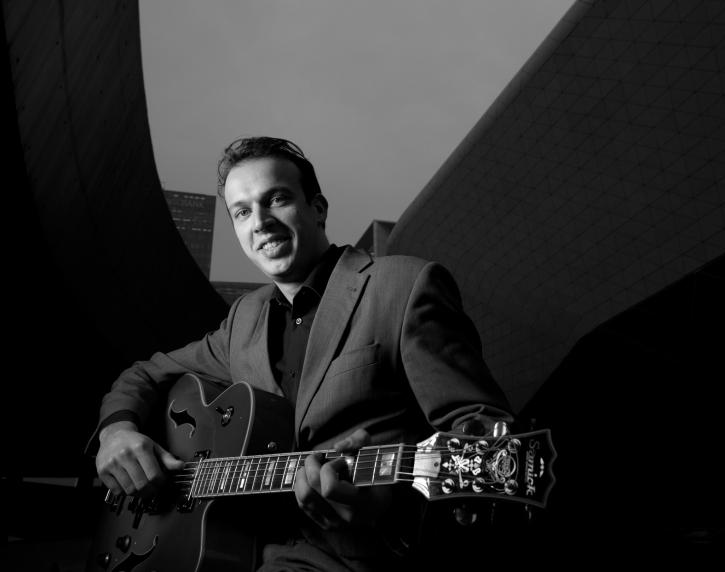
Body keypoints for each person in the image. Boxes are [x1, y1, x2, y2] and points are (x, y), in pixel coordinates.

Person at [93, 136, 514, 571]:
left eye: (276, 199)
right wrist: (116, 433)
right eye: (242, 212)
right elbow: (145, 374)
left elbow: (481, 433)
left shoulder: (403, 286)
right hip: (242, 551)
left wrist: (391, 510)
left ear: (317, 208)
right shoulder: (244, 319)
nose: (260, 222)